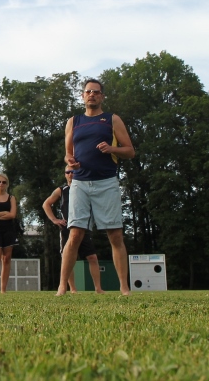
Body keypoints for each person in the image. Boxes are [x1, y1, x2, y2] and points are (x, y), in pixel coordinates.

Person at [58, 78, 135, 296]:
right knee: (74, 235)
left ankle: (124, 287)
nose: (92, 95)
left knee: (116, 235)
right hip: (80, 183)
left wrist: (112, 148)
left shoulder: (112, 119)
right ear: (82, 96)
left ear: (102, 96)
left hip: (106, 182)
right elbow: (67, 153)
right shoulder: (73, 121)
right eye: (88, 91)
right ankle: (62, 287)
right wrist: (70, 161)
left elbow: (130, 151)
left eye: (96, 92)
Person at [43, 167, 105, 293]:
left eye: (73, 171)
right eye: (68, 172)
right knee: (69, 258)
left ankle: (98, 288)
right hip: (67, 228)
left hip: (83, 227)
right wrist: (55, 220)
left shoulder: (85, 188)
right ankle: (72, 289)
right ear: (65, 174)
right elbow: (46, 204)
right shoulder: (62, 190)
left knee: (92, 257)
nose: (71, 174)